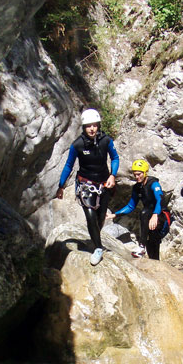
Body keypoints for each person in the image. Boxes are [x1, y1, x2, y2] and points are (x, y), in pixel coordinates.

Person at [56, 109, 119, 266]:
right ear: (83, 127)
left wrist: (113, 175)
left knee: (100, 216)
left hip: (104, 183)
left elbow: (115, 158)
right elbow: (68, 165)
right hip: (86, 185)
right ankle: (98, 248)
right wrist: (61, 186)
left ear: (98, 126)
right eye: (88, 126)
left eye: (94, 125)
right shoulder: (77, 145)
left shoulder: (106, 141)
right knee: (90, 216)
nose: (92, 129)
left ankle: (95, 237)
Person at [107, 159, 170, 261]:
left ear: (145, 172)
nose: (137, 177)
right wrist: (115, 215)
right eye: (135, 174)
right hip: (149, 218)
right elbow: (131, 206)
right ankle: (154, 261)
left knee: (144, 213)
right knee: (151, 242)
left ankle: (141, 246)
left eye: (139, 174)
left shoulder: (153, 184)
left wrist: (155, 215)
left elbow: (160, 199)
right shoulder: (137, 188)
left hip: (161, 216)